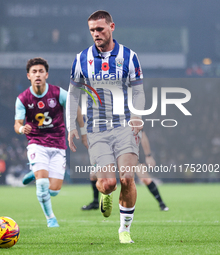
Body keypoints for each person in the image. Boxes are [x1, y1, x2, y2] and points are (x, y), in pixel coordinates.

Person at [67, 10, 145, 243]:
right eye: (92, 30)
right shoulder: (82, 58)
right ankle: (104, 193)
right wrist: (72, 124)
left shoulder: (129, 56)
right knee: (108, 184)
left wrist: (138, 115)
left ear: (112, 26)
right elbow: (72, 95)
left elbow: (138, 89)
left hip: (124, 126)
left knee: (127, 178)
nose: (96, 34)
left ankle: (124, 230)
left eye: (100, 29)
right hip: (96, 129)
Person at [14, 57, 67, 228]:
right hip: (36, 142)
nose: (37, 74)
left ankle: (34, 172)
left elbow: (75, 106)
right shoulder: (23, 98)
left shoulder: (58, 93)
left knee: (54, 191)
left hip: (58, 144)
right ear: (28, 76)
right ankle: (51, 218)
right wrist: (22, 129)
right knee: (43, 184)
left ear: (46, 75)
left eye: (41, 71)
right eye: (34, 72)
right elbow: (17, 124)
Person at [80, 131, 169, 211]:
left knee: (144, 177)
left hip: (129, 151)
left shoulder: (131, 117)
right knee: (93, 175)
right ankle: (96, 202)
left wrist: (148, 155)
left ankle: (161, 203)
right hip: (110, 150)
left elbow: (143, 135)